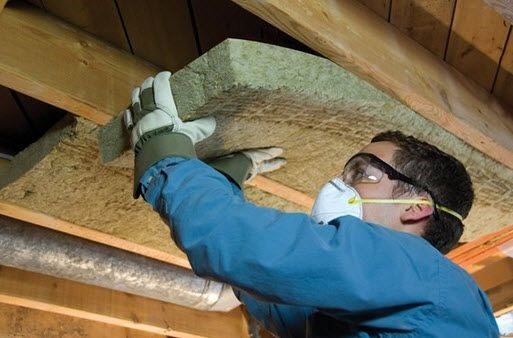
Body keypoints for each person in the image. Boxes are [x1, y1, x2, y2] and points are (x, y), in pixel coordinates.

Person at [123, 71, 500, 337]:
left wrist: (164, 155)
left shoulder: (426, 275)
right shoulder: (391, 303)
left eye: (361, 173)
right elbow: (268, 291)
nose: (337, 184)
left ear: (416, 206)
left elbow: (246, 248)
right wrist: (223, 183)